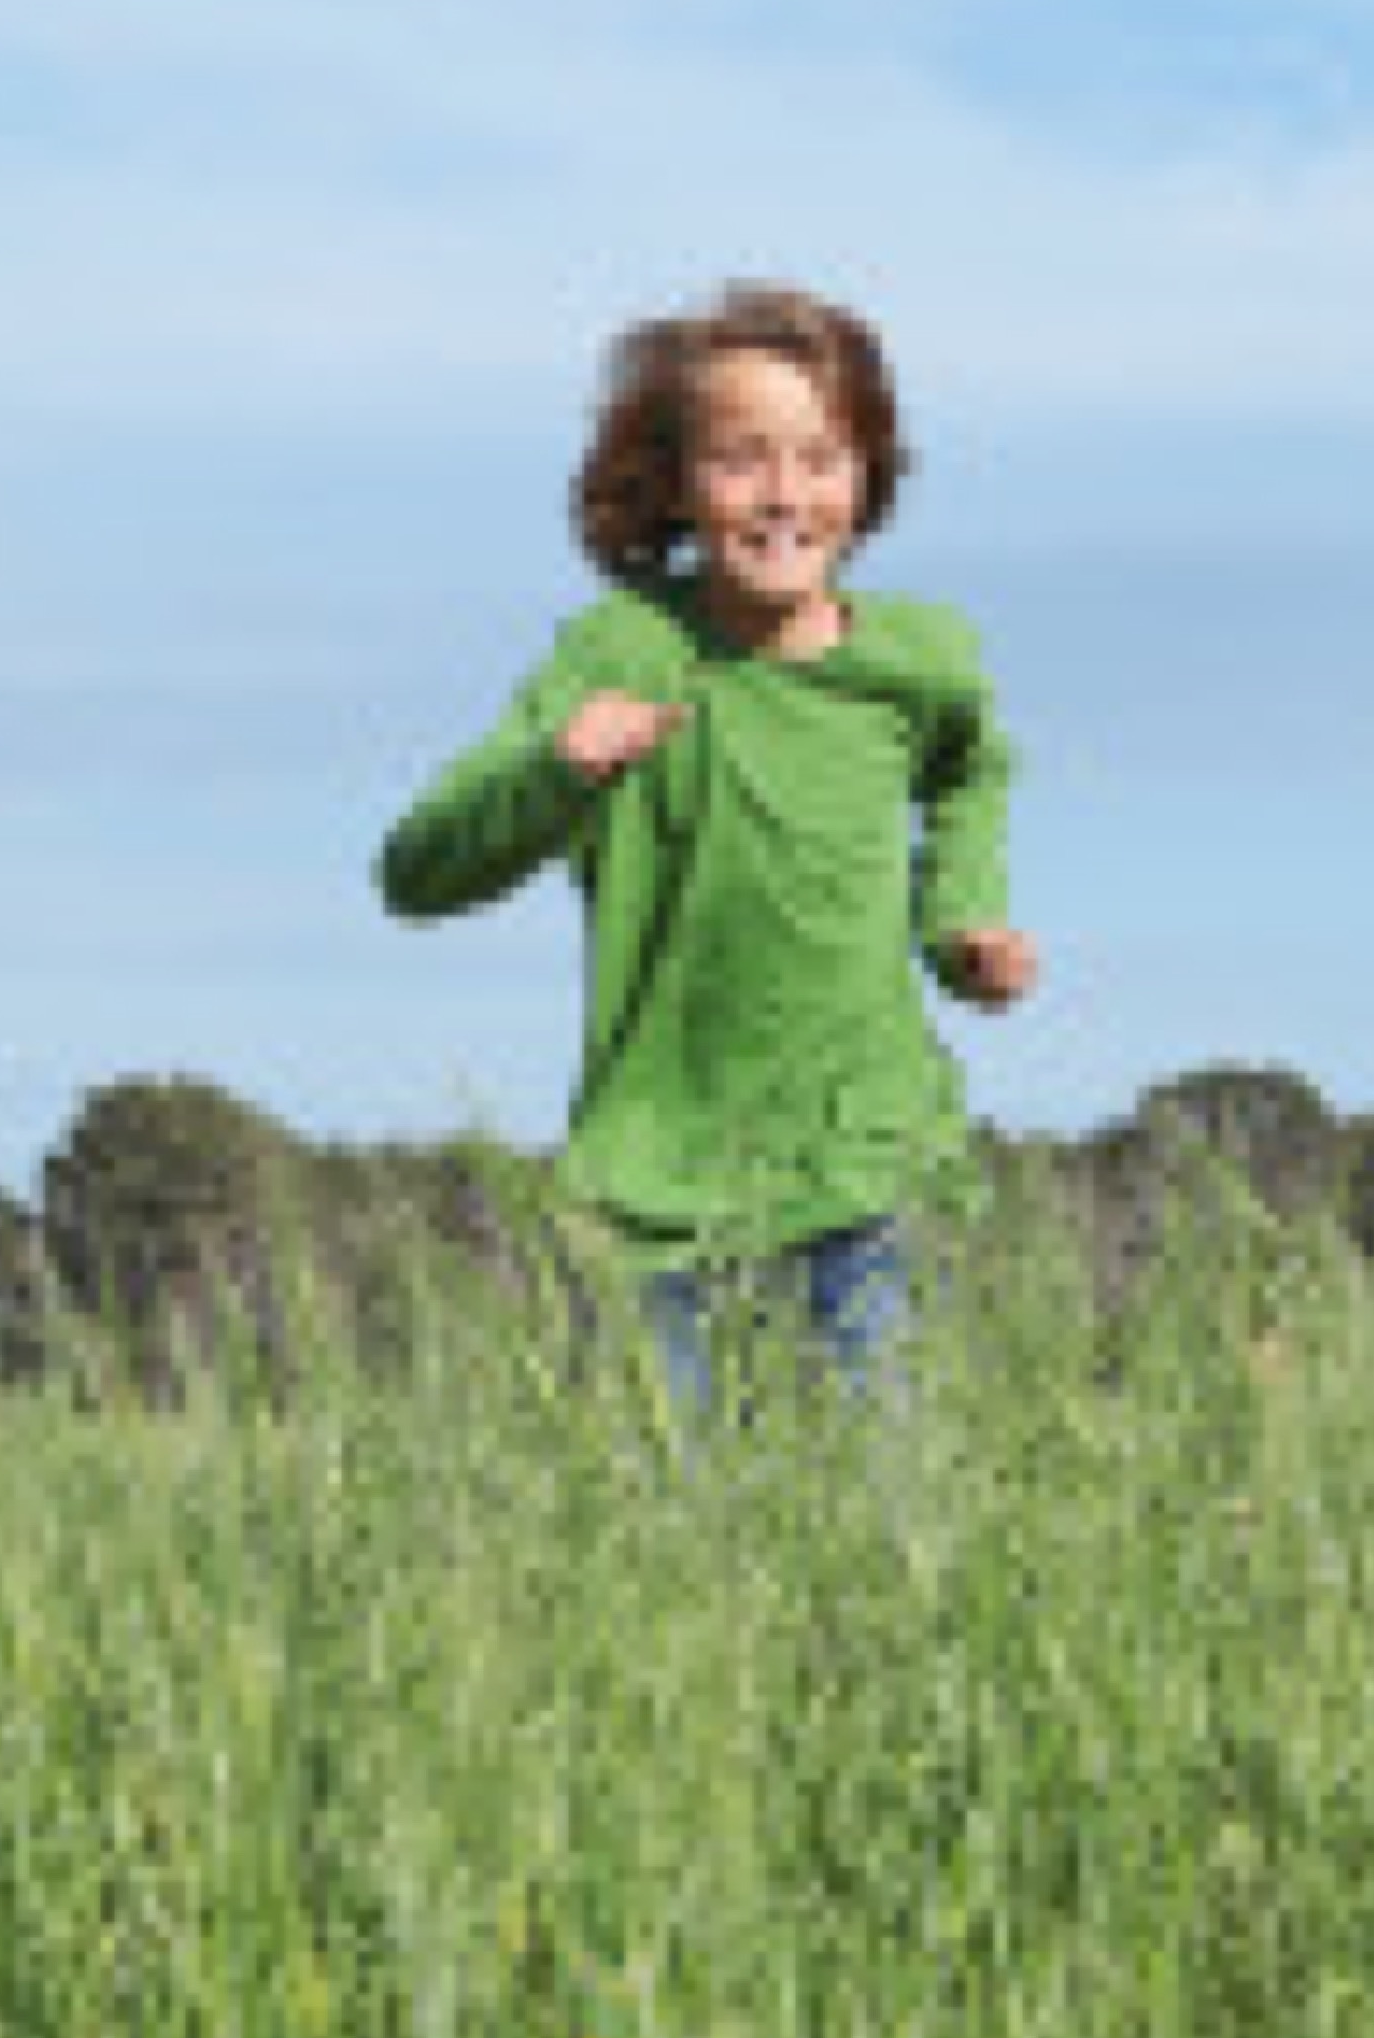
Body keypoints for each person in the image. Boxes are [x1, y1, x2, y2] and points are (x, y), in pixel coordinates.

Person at [377, 281, 1038, 1408]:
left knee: (888, 1511)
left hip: (868, 1159)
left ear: (867, 476)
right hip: (660, 1182)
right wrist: (558, 774)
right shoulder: (624, 650)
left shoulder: (920, 662)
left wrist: (959, 925)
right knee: (672, 1531)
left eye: (821, 458)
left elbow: (972, 774)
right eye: (741, 460)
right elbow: (417, 871)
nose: (785, 495)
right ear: (676, 484)